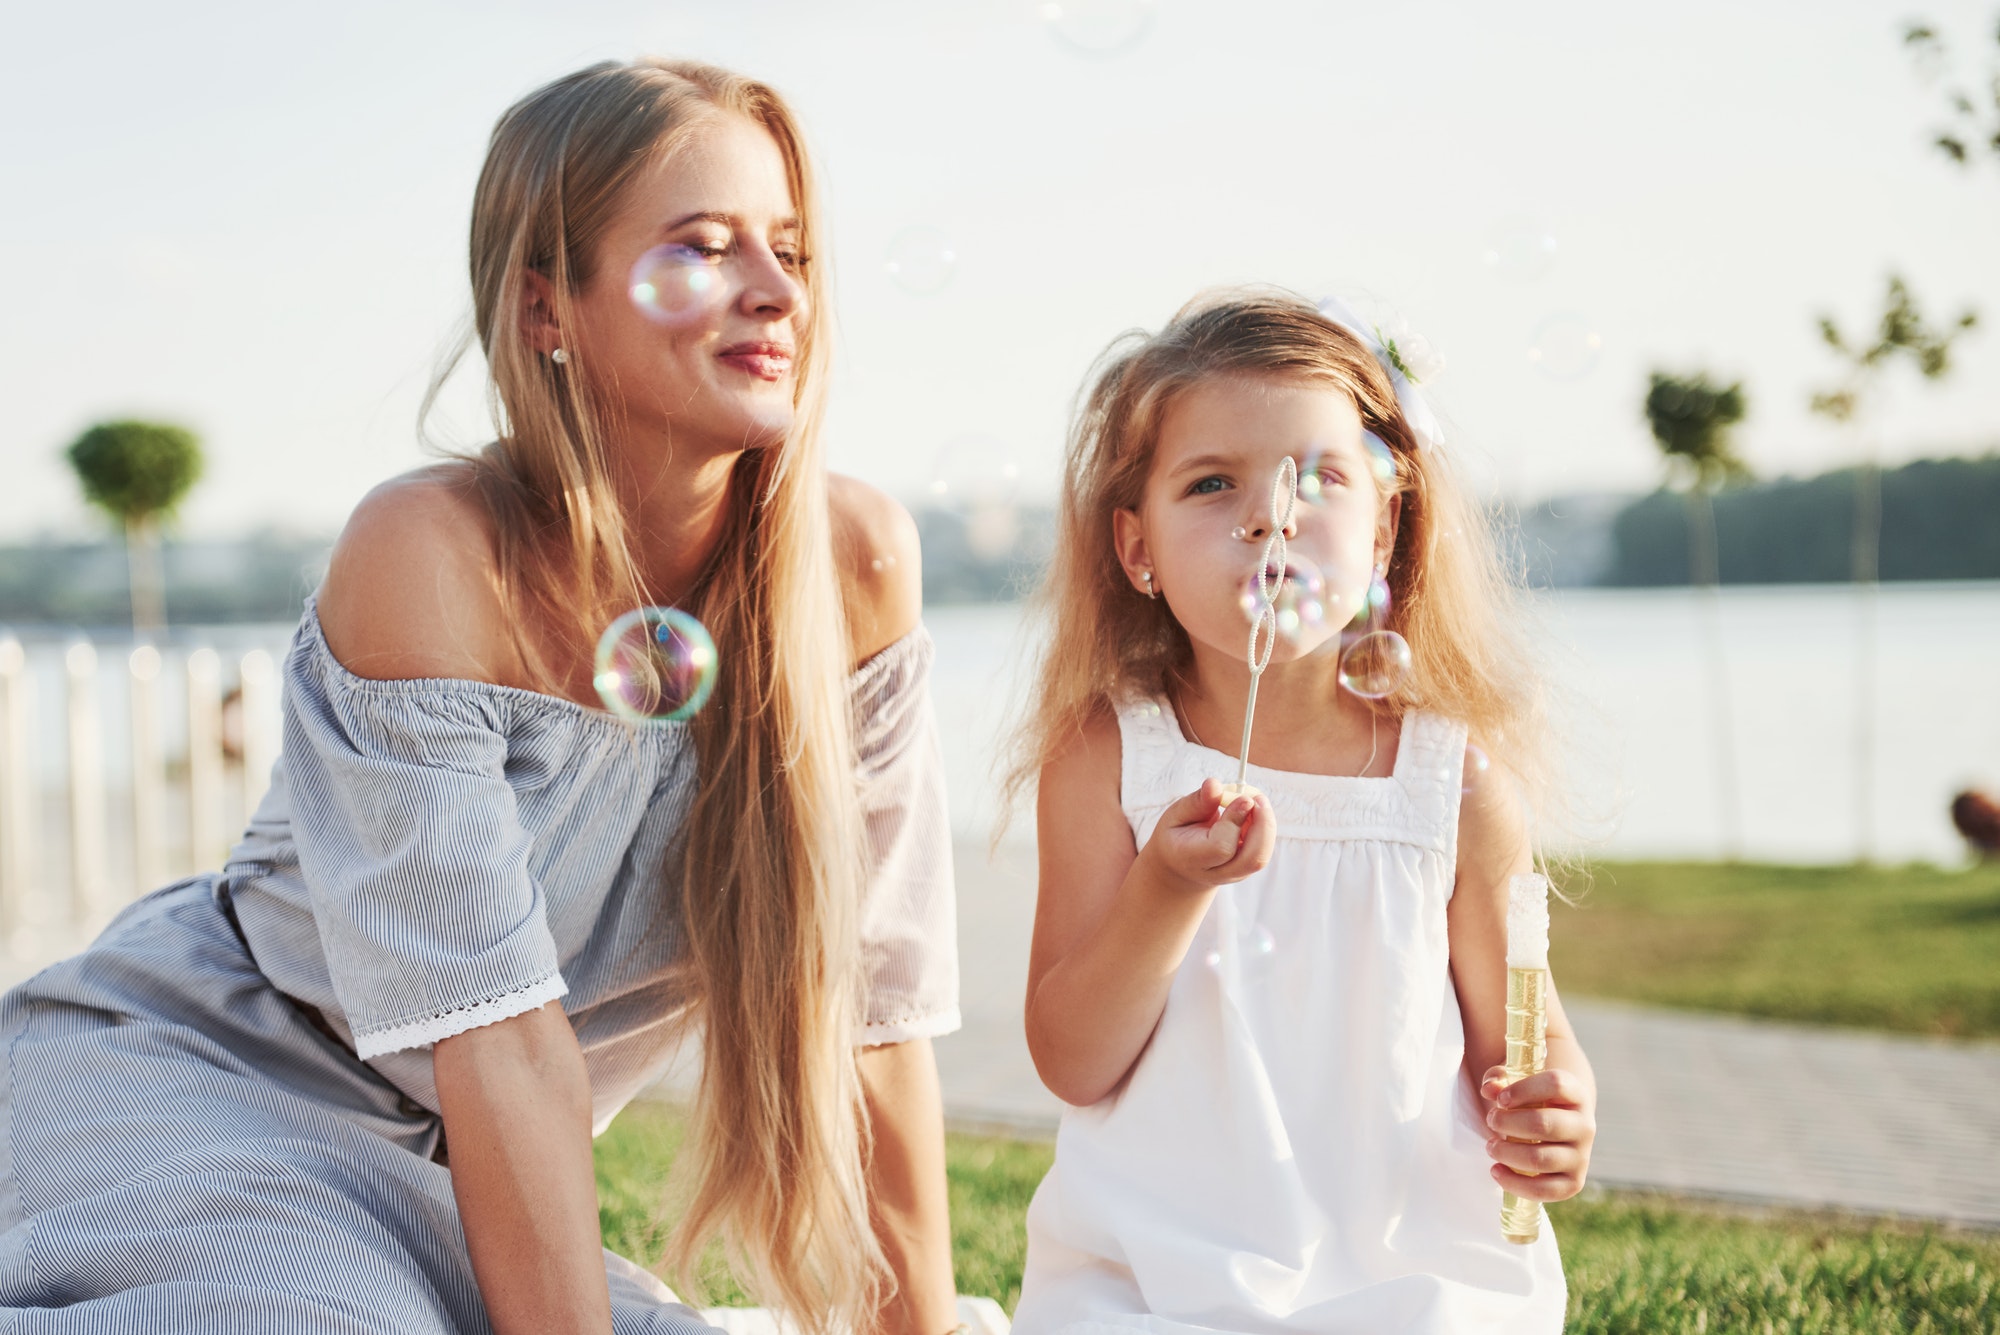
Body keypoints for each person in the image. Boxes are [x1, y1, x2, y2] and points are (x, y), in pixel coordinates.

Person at [0, 59, 963, 1335]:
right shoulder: (431, 555)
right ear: (546, 306)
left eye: (787, 247)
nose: (778, 291)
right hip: (209, 1077)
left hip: (464, 1172)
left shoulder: (855, 569)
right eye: (703, 246)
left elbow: (872, 1019)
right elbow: (498, 1036)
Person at [1004, 291, 1596, 1333]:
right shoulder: (1110, 757)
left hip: (1407, 1277)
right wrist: (1164, 889)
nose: (1269, 516)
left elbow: (1525, 1043)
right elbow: (1070, 1057)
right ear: (1134, 546)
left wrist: (1555, 1110)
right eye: (1210, 482)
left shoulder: (1448, 784)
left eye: (1319, 478)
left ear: (1385, 529)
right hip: (1154, 1277)